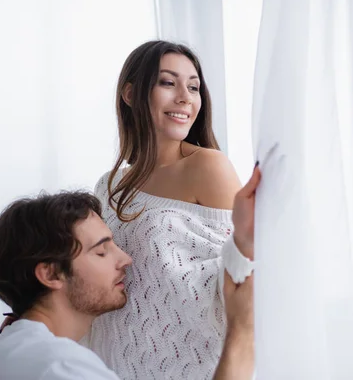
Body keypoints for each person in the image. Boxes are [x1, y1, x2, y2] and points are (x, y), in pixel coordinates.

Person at [0, 166, 259, 380]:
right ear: (51, 274)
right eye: (101, 251)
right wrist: (242, 333)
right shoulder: (62, 368)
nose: (126, 259)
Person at [85, 40, 255, 379]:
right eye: (168, 82)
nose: (185, 98)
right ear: (130, 94)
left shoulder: (208, 167)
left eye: (194, 87)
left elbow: (241, 270)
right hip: (111, 364)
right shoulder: (108, 186)